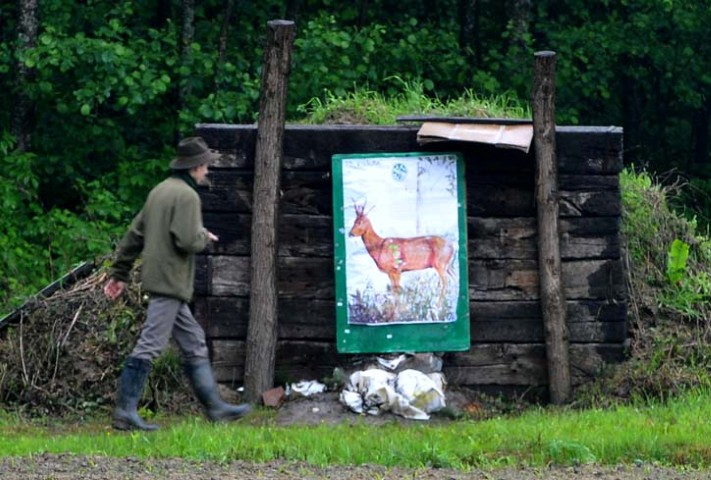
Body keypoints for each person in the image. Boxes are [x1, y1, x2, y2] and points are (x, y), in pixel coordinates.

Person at [104, 136, 251, 431]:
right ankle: (125, 411)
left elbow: (134, 235)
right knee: (149, 346)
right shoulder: (187, 196)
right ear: (195, 167)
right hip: (170, 284)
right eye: (205, 165)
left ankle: (216, 409)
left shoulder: (159, 191)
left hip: (162, 281)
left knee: (195, 343)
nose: (207, 170)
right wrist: (203, 237)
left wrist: (119, 273)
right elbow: (187, 240)